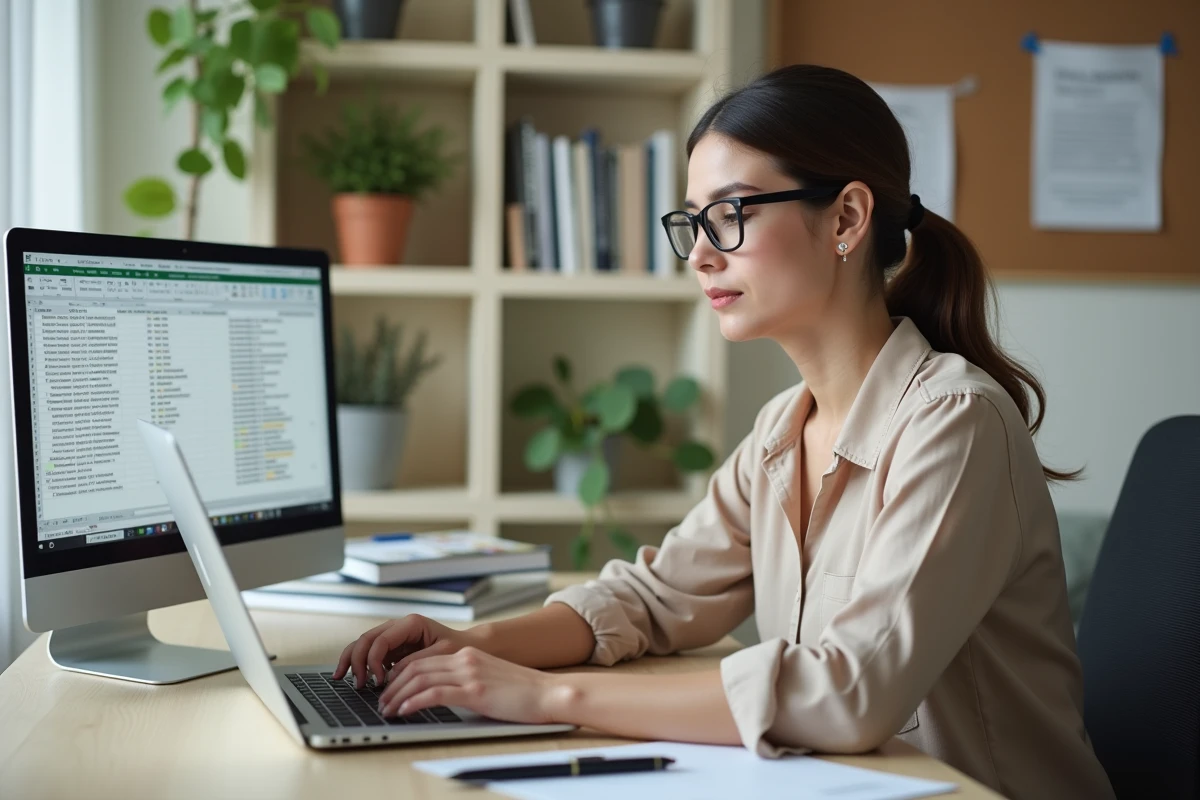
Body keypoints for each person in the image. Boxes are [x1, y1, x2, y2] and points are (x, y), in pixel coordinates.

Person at [333, 64, 1114, 799]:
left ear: (845, 217)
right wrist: (471, 645)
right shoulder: (784, 428)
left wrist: (545, 696)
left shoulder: (953, 423)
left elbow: (849, 695)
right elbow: (653, 597)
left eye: (731, 214)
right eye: (693, 222)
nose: (701, 254)